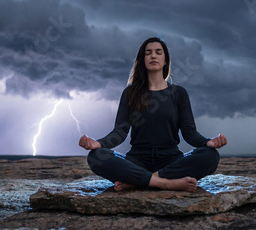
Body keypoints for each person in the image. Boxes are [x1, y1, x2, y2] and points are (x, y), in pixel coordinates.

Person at [79, 37, 227, 192]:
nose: (153, 56)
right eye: (148, 53)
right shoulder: (130, 93)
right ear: (142, 60)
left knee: (210, 156)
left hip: (171, 160)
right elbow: (120, 132)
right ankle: (165, 183)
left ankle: (139, 181)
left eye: (158, 52)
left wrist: (207, 142)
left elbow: (189, 132)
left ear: (165, 61)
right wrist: (99, 144)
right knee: (96, 157)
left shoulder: (179, 93)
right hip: (137, 160)